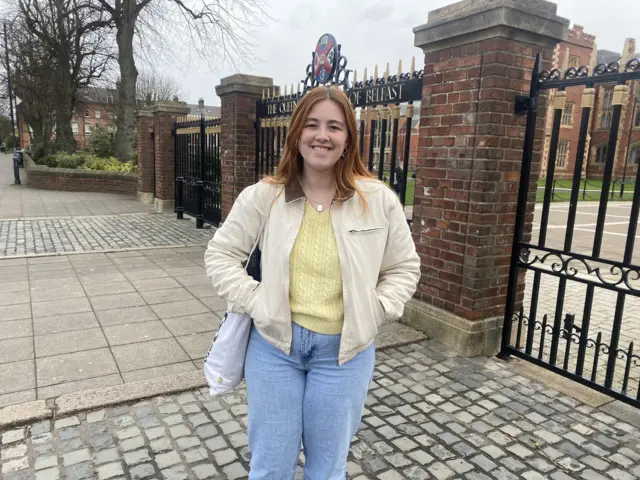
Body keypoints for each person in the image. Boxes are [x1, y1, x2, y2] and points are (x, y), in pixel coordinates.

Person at [204, 85, 420, 479]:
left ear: (348, 139)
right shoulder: (263, 197)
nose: (323, 135)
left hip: (344, 355)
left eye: (334, 126)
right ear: (297, 133)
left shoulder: (377, 200)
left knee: (327, 468)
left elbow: (404, 268)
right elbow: (220, 255)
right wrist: (255, 299)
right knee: (270, 466)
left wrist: (377, 308)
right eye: (313, 124)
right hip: (274, 350)